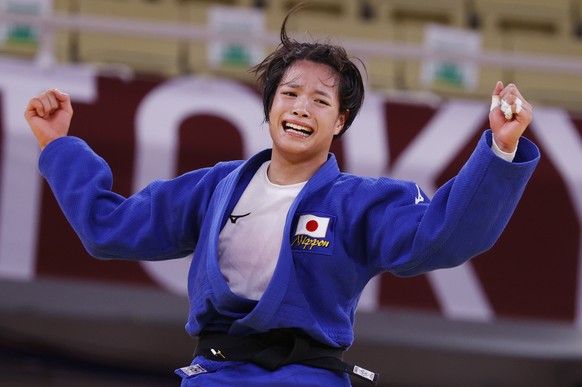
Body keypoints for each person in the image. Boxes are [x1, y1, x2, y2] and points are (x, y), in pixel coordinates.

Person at [24, 7, 539, 387]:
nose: (301, 108)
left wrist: (500, 146)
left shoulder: (357, 202)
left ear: (340, 122)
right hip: (212, 375)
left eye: (320, 100)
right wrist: (58, 145)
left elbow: (441, 235)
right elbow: (108, 228)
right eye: (289, 94)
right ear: (269, 107)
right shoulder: (215, 187)